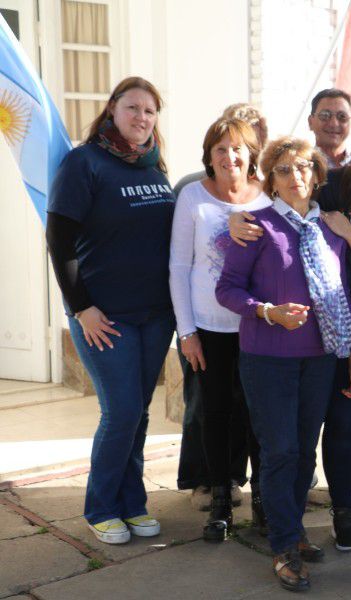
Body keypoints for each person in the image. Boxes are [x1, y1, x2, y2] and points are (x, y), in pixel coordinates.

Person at [229, 112, 351, 551]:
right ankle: (324, 519)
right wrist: (233, 221)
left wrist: (350, 232)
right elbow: (273, 201)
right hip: (306, 341)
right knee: (321, 430)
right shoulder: (334, 186)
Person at [216, 137, 351, 592]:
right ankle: (282, 546)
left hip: (318, 359)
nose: (295, 176)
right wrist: (267, 311)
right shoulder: (255, 227)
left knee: (303, 452)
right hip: (268, 360)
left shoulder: (329, 231)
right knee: (279, 452)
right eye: (283, 169)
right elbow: (227, 289)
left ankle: (293, 530)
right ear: (271, 181)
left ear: (318, 175)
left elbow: (340, 297)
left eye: (303, 167)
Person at [46, 77, 175, 545]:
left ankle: (132, 501)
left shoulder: (153, 165)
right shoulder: (85, 163)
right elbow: (59, 242)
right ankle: (101, 506)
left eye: (150, 111)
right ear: (112, 111)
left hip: (155, 315)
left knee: (137, 413)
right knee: (120, 412)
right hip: (104, 317)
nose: (142, 117)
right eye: (133, 107)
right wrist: (82, 308)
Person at [169, 117, 270, 541]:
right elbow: (178, 266)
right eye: (220, 149)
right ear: (209, 156)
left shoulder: (268, 197)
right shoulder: (193, 196)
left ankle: (263, 496)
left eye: (238, 149)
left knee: (257, 413)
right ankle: (221, 499)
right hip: (208, 327)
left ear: (251, 155)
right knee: (214, 413)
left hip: (256, 324)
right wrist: (186, 331)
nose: (230, 157)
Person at [308, 88, 351, 169]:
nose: (333, 123)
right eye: (325, 115)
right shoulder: (301, 167)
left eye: (342, 116)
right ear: (310, 122)